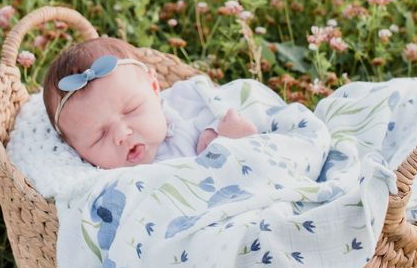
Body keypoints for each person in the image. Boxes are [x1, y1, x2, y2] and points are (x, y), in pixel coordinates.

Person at [42, 36, 257, 169]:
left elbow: (234, 109)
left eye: (132, 109)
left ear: (155, 89)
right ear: (76, 151)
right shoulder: (111, 186)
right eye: (99, 136)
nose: (121, 134)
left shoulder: (186, 104)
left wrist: (228, 140)